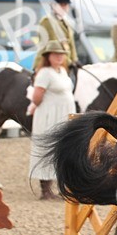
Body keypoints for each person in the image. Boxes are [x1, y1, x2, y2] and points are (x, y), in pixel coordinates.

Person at [27, 40, 75, 200]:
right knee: (47, 148)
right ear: (48, 56)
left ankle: (62, 185)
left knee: (63, 148)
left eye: (61, 54)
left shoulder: (62, 71)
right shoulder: (45, 73)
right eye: (55, 54)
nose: (59, 57)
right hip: (49, 114)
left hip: (63, 113)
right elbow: (37, 96)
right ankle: (45, 188)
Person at [37, 0, 78, 65]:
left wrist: (74, 60)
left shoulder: (67, 23)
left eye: (65, 5)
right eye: (61, 5)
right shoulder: (47, 21)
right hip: (49, 63)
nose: (64, 8)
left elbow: (71, 45)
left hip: (65, 63)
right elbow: (52, 47)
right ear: (53, 5)